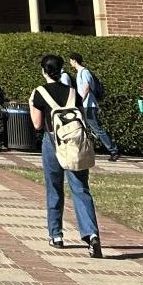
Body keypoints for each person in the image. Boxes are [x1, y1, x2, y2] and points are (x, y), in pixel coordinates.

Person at [30, 53, 101, 254]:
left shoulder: (39, 92)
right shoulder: (72, 92)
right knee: (80, 188)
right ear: (62, 70)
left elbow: (36, 124)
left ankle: (56, 235)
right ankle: (91, 234)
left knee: (54, 188)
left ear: (44, 71)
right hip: (75, 142)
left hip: (52, 141)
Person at [68, 52, 120, 162]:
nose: (70, 62)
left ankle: (113, 150)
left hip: (89, 105)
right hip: (87, 105)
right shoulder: (80, 73)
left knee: (97, 128)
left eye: (71, 60)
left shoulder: (84, 72)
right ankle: (88, 149)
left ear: (74, 61)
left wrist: (82, 100)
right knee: (87, 127)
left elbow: (86, 87)